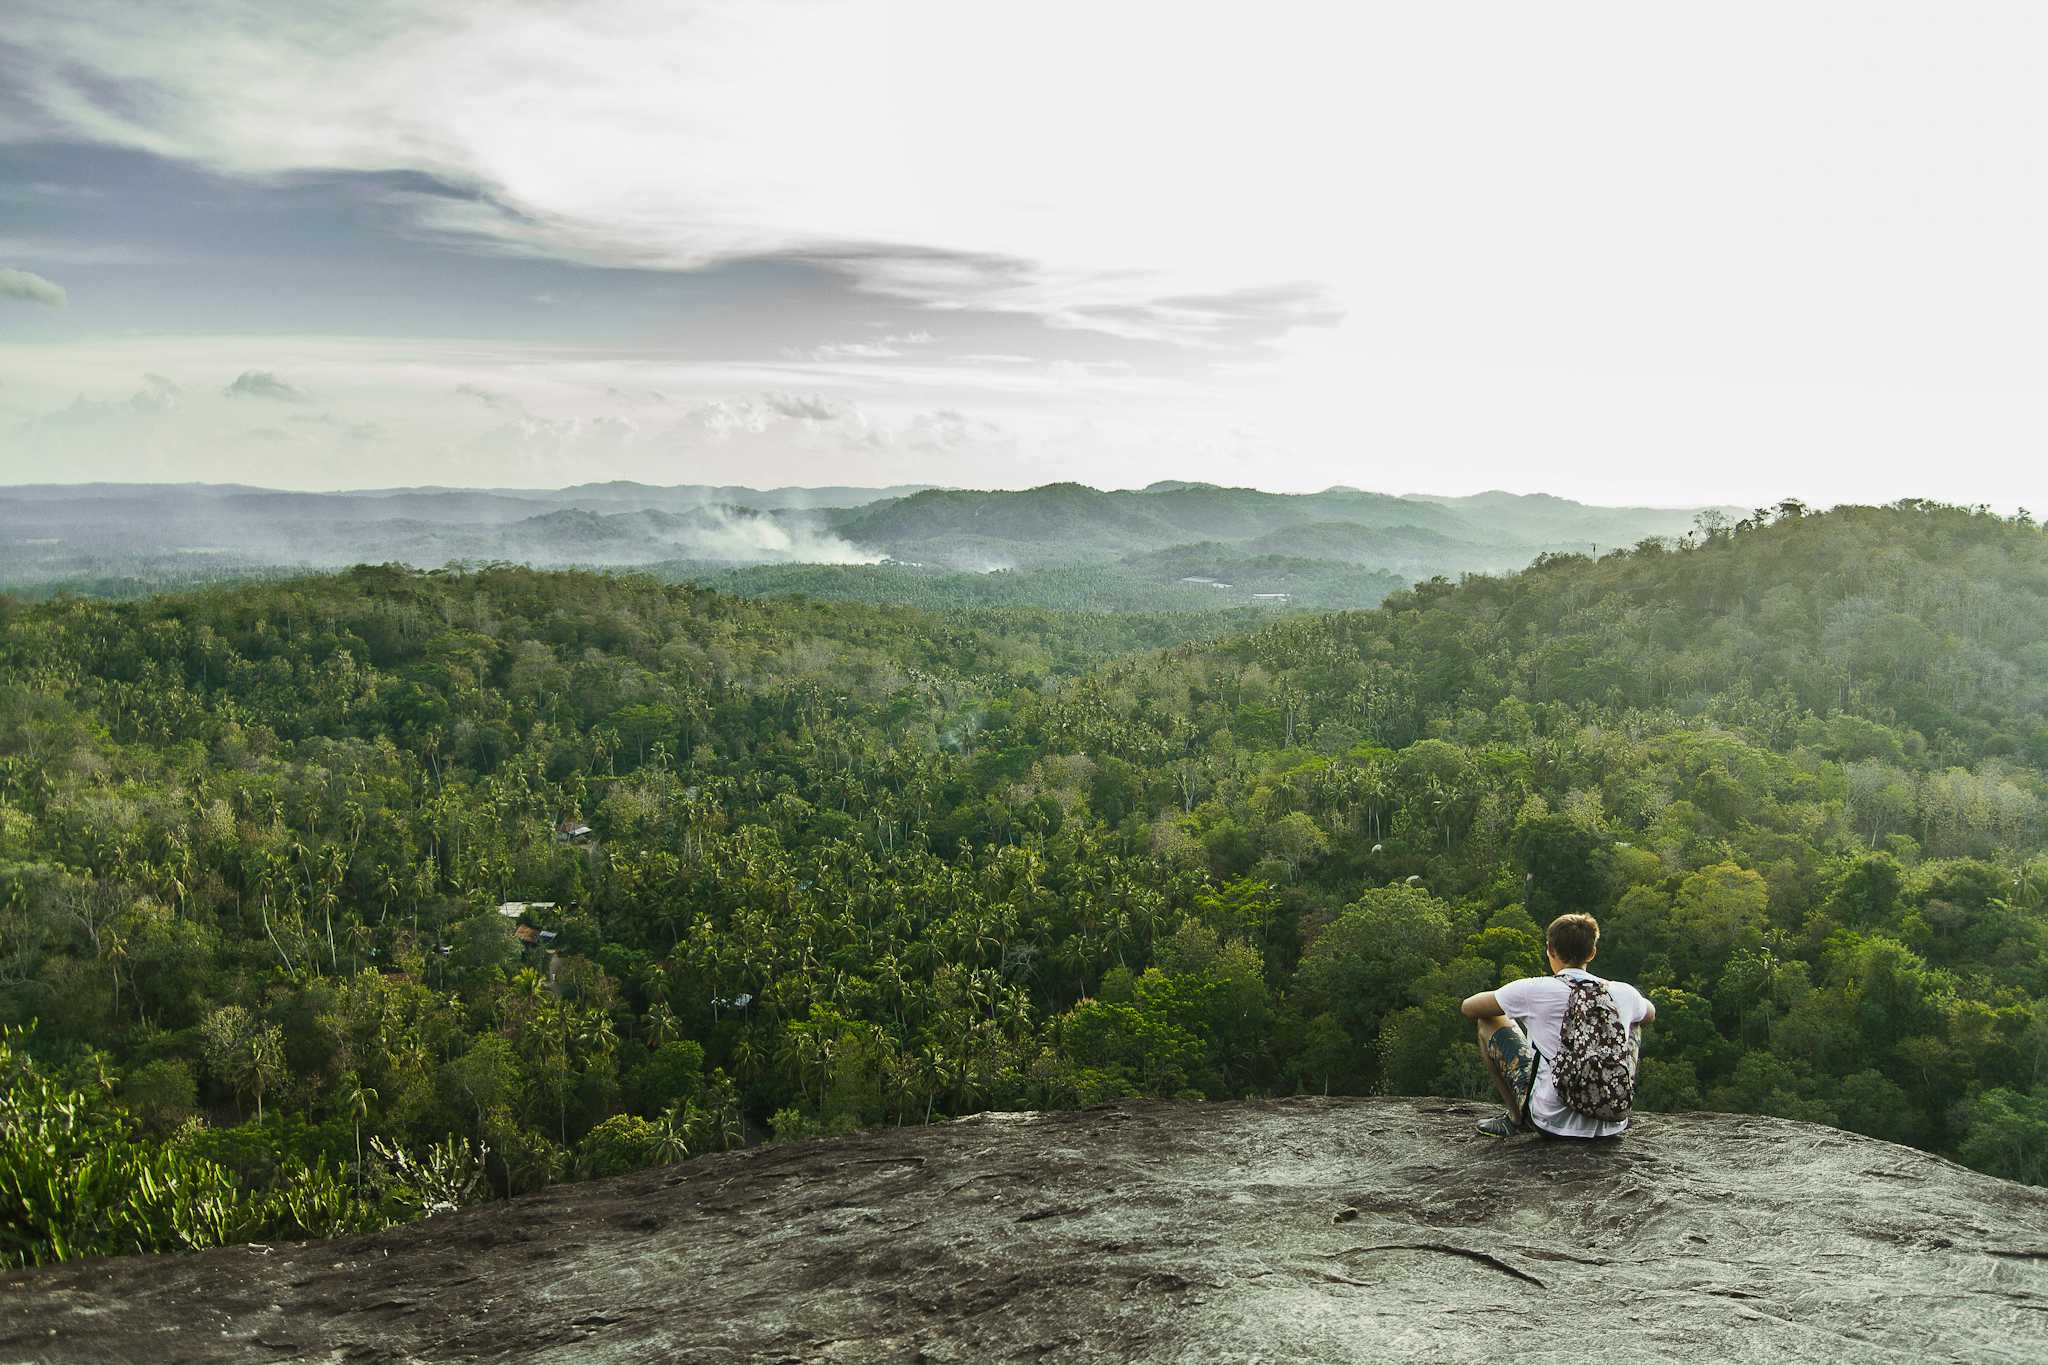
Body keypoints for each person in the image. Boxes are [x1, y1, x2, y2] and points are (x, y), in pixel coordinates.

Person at [1458, 912, 1654, 1139]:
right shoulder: (1623, 992)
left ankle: (1515, 1118)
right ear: (1592, 953)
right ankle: (1610, 1101)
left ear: (1550, 950)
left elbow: (1469, 1007)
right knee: (1633, 1026)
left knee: (1489, 1020)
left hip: (1550, 1122)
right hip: (1611, 1126)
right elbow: (1649, 1014)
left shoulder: (1535, 989)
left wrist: (1516, 1006)